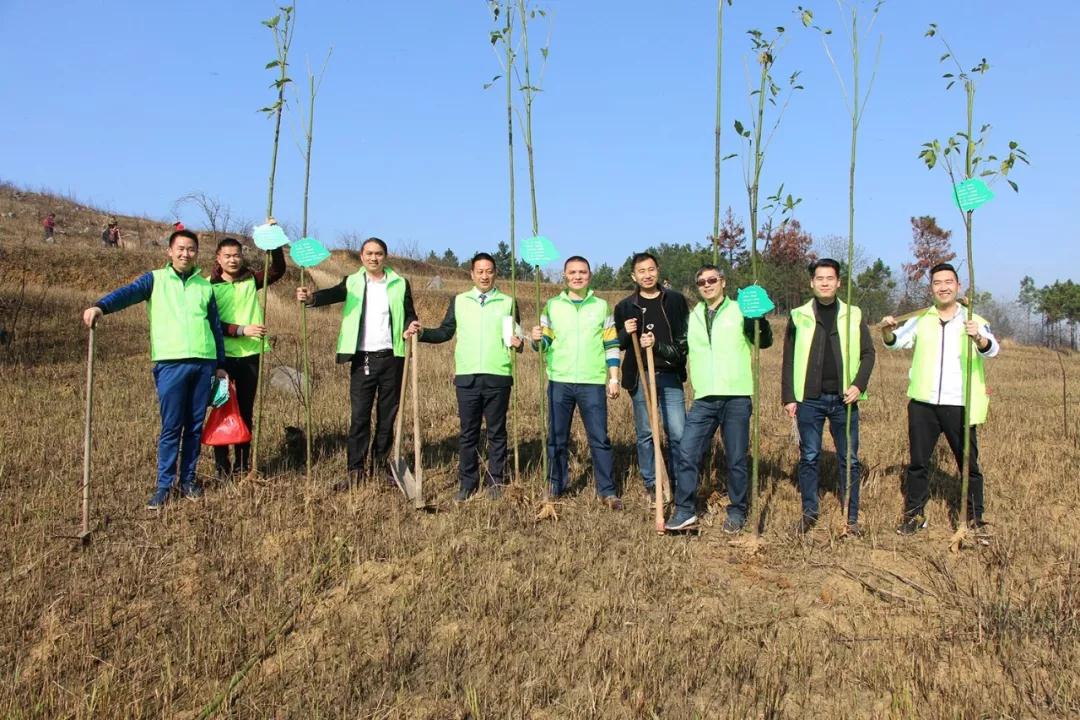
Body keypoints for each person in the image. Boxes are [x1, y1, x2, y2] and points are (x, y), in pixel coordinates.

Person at [81, 229, 227, 509]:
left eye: (191, 249)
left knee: (194, 427)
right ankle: (164, 486)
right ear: (169, 252)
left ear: (197, 253)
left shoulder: (205, 286)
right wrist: (101, 307)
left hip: (204, 363)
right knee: (171, 426)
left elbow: (215, 328)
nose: (186, 254)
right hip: (170, 362)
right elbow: (128, 293)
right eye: (180, 249)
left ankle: (188, 481)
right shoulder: (155, 280)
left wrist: (220, 365)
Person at [880, 262, 999, 536]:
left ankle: (974, 518)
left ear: (958, 286)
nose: (943, 287)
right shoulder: (922, 318)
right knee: (918, 463)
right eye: (937, 283)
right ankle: (915, 515)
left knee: (968, 465)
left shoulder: (973, 319)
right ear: (931, 288)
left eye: (948, 282)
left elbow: (992, 350)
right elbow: (896, 342)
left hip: (960, 403)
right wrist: (887, 330)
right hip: (923, 403)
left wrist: (978, 338)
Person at [296, 237, 420, 489]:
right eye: (369, 253)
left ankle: (380, 467)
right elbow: (332, 294)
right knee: (360, 417)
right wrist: (311, 298)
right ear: (362, 256)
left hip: (392, 358)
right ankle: (355, 471)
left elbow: (409, 313)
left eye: (379, 253)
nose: (374, 258)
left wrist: (411, 325)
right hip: (362, 359)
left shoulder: (399, 283)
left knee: (387, 418)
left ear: (385, 257)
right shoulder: (352, 282)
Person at [667, 265, 773, 533]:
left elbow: (764, 341)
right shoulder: (694, 316)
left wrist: (758, 318)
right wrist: (654, 345)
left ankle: (737, 511)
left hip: (736, 396)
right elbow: (680, 348)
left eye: (712, 279)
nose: (707, 284)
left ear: (723, 282)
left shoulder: (740, 309)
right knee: (687, 452)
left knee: (736, 458)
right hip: (704, 397)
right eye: (701, 282)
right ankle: (685, 510)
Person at [781, 258, 875, 535]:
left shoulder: (853, 314)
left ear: (839, 282)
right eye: (819, 278)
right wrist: (789, 396)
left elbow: (868, 353)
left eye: (830, 278)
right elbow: (788, 358)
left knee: (849, 458)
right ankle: (809, 512)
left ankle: (851, 516)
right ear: (812, 282)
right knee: (809, 455)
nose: (824, 283)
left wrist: (859, 385)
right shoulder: (798, 315)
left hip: (845, 399)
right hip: (808, 399)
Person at [419, 252, 523, 501]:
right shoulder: (459, 301)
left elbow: (516, 338)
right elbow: (445, 332)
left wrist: (518, 343)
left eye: (489, 271)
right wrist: (421, 333)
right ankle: (467, 483)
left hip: (498, 375)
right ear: (472, 274)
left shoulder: (508, 302)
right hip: (467, 377)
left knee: (497, 432)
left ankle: (495, 481)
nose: (485, 276)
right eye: (480, 271)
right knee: (468, 432)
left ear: (495, 273)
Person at [530, 256, 623, 509]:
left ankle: (607, 491)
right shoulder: (552, 306)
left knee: (599, 438)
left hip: (592, 382)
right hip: (559, 380)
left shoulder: (602, 307)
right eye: (572, 272)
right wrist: (536, 339)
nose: (577, 276)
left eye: (582, 272)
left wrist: (614, 378)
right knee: (556, 437)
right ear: (565, 276)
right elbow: (544, 343)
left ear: (589, 276)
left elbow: (611, 343)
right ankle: (555, 485)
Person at [613, 252, 689, 501]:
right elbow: (618, 344)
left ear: (658, 271)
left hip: (669, 374)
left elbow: (683, 341)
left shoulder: (675, 300)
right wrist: (626, 332)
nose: (647, 275)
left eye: (651, 269)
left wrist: (659, 347)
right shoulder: (625, 307)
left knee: (677, 432)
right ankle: (652, 482)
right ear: (633, 276)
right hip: (640, 375)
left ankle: (677, 481)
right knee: (646, 432)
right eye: (641, 271)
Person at [209, 236, 286, 479]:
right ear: (218, 258)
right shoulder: (208, 286)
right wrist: (241, 330)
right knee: (221, 407)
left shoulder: (251, 279)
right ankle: (222, 466)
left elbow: (278, 269)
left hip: (250, 355)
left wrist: (273, 239)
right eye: (227, 256)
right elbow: (210, 323)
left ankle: (242, 465)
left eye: (237, 255)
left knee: (245, 410)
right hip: (220, 358)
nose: (232, 260)